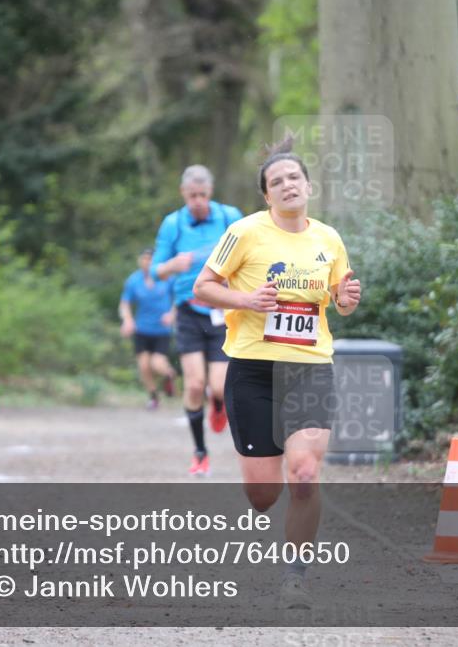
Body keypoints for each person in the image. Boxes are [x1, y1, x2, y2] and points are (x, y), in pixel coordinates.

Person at [192, 139, 361, 609]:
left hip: (310, 369)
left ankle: (295, 577)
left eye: (294, 177)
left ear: (308, 185)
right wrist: (246, 300)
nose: (287, 185)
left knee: (305, 474)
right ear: (266, 196)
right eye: (276, 181)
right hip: (253, 372)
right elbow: (202, 287)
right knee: (263, 495)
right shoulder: (245, 233)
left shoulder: (329, 238)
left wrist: (347, 300)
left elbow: (340, 302)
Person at [151, 165, 243, 476]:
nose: (198, 201)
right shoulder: (173, 224)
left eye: (202, 195)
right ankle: (200, 451)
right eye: (192, 196)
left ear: (211, 193)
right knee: (194, 384)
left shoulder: (231, 217)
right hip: (188, 310)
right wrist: (173, 265)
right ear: (183, 194)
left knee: (219, 386)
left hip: (221, 309)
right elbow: (156, 270)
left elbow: (250, 256)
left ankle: (218, 404)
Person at [120, 248, 177, 410]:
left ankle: (169, 375)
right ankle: (153, 396)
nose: (147, 262)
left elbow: (178, 299)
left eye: (150, 259)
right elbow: (124, 304)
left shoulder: (167, 279)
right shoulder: (133, 281)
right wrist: (128, 320)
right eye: (144, 259)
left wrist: (171, 314)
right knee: (144, 366)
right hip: (141, 330)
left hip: (162, 330)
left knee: (157, 364)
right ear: (140, 261)